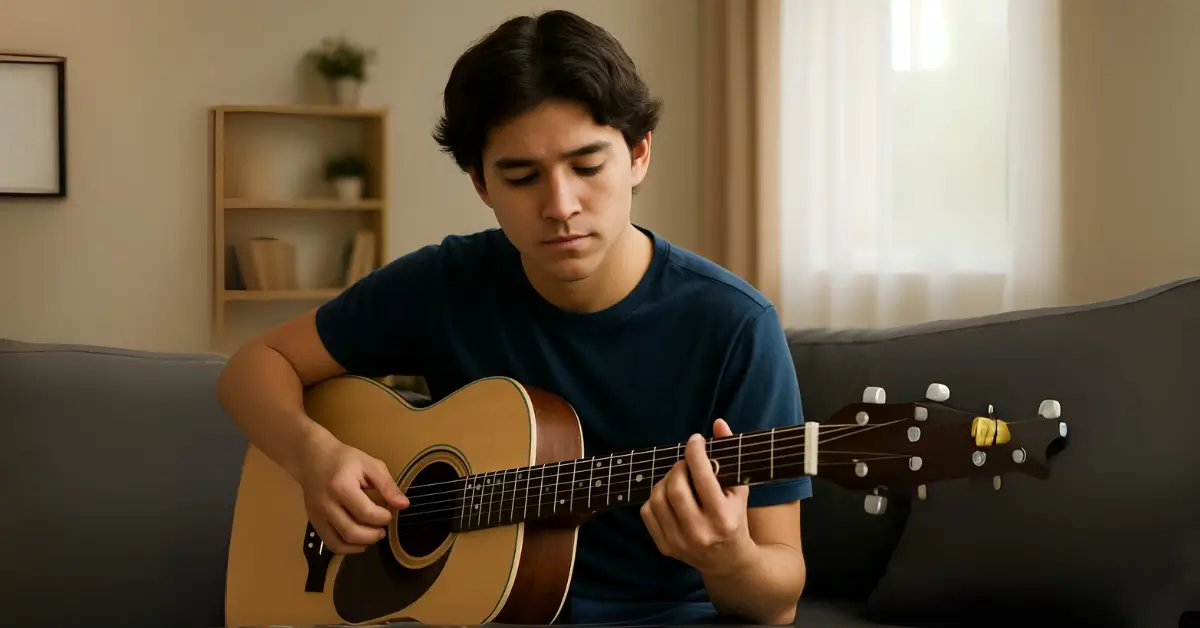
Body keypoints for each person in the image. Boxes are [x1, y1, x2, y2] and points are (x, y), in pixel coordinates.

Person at [216, 8, 810, 626]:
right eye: (521, 176)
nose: (560, 206)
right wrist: (314, 457)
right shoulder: (445, 284)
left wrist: (729, 557)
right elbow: (253, 367)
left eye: (587, 167)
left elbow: (777, 600)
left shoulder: (735, 324)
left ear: (638, 156)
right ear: (480, 184)